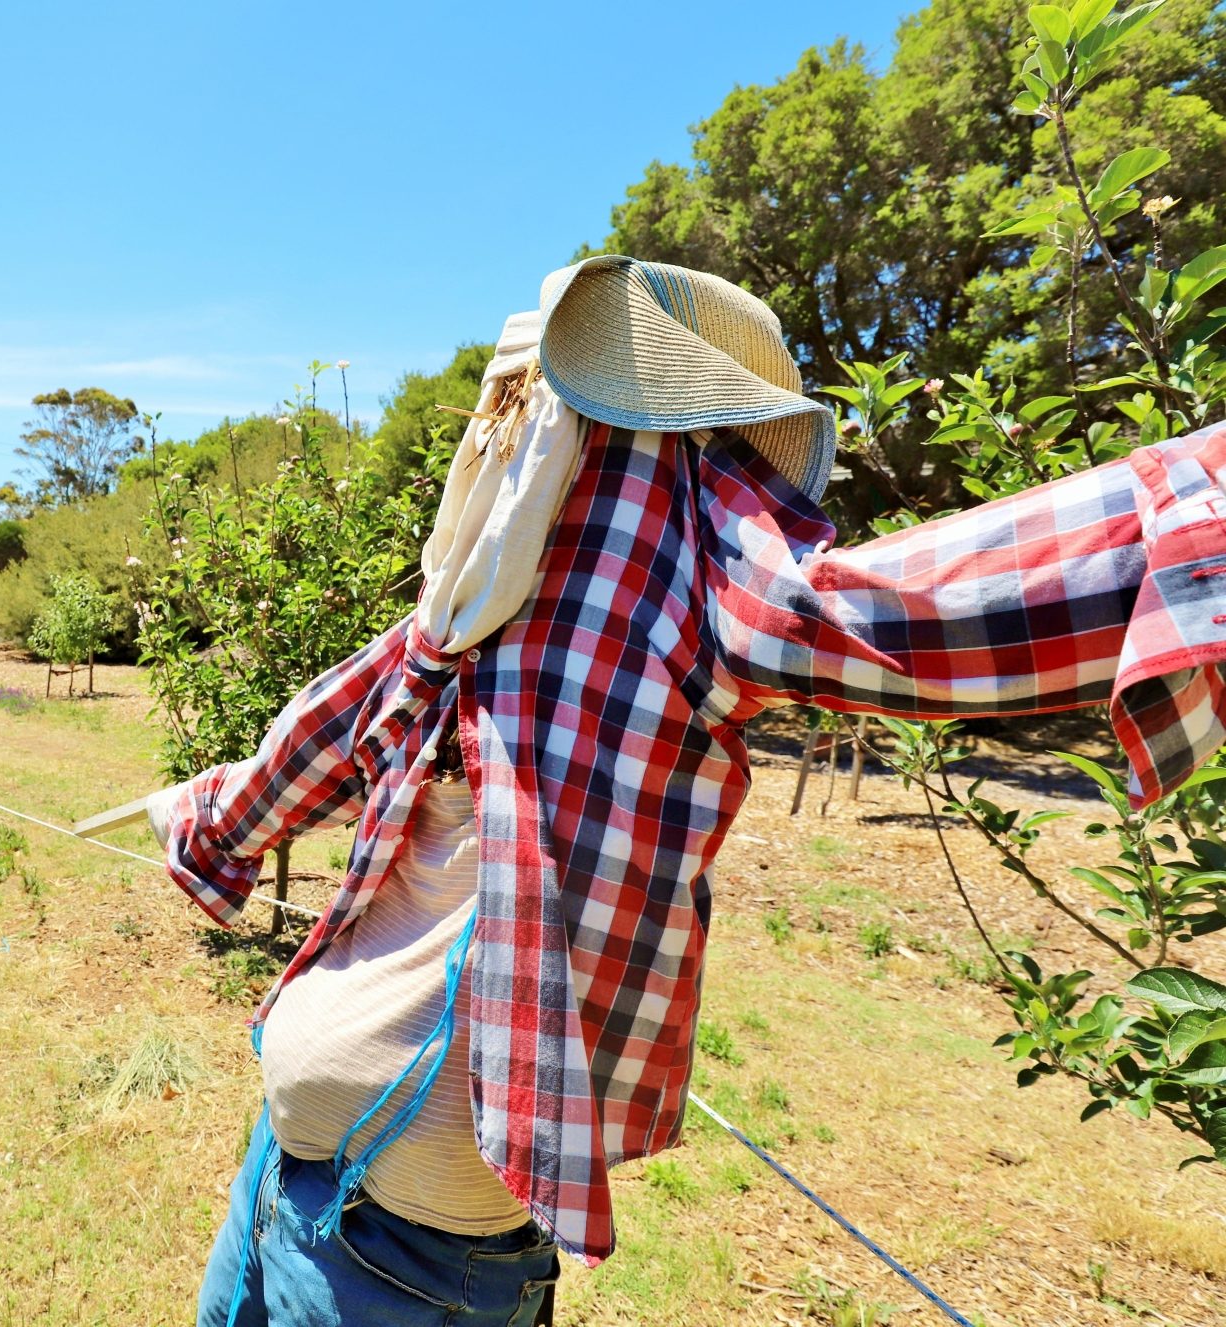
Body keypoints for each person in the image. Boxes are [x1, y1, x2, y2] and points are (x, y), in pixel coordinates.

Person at [145, 256, 1226, 1327]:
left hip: (410, 1262)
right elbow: (323, 731)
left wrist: (1189, 517)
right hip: (279, 1179)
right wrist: (210, 820)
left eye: (533, 397)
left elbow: (911, 607)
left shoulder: (692, 558)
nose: (501, 423)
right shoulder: (470, 593)